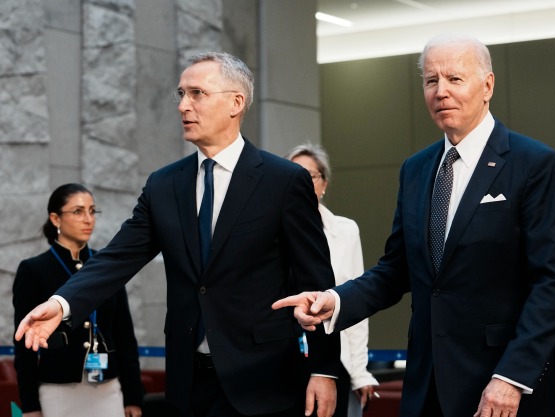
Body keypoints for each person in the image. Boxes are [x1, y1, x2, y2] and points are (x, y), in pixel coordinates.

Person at [15, 52, 340, 417]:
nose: (184, 105)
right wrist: (62, 304)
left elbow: (317, 281)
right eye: (181, 94)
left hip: (264, 381)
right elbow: (117, 257)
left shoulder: (283, 181)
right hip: (188, 386)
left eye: (197, 93)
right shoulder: (163, 185)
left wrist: (324, 368)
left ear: (236, 103)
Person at [274, 34, 555, 417]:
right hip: (427, 384)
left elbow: (551, 285)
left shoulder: (533, 163)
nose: (441, 91)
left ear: (488, 86)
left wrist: (510, 379)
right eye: (431, 81)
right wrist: (334, 300)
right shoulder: (416, 169)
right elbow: (395, 269)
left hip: (502, 387)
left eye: (454, 79)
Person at [12, 183, 143, 417]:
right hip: (59, 390)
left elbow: (125, 336)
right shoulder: (34, 270)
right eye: (78, 211)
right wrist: (30, 405)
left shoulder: (108, 266)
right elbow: (25, 346)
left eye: (92, 211)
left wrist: (134, 397)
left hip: (107, 387)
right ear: (55, 218)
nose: (88, 219)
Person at [285, 144, 379, 417]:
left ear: (324, 183)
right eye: (293, 175)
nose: (301, 182)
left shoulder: (345, 230)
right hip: (283, 359)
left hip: (330, 358)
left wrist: (360, 371)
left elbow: (356, 304)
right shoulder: (271, 231)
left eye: (310, 176)